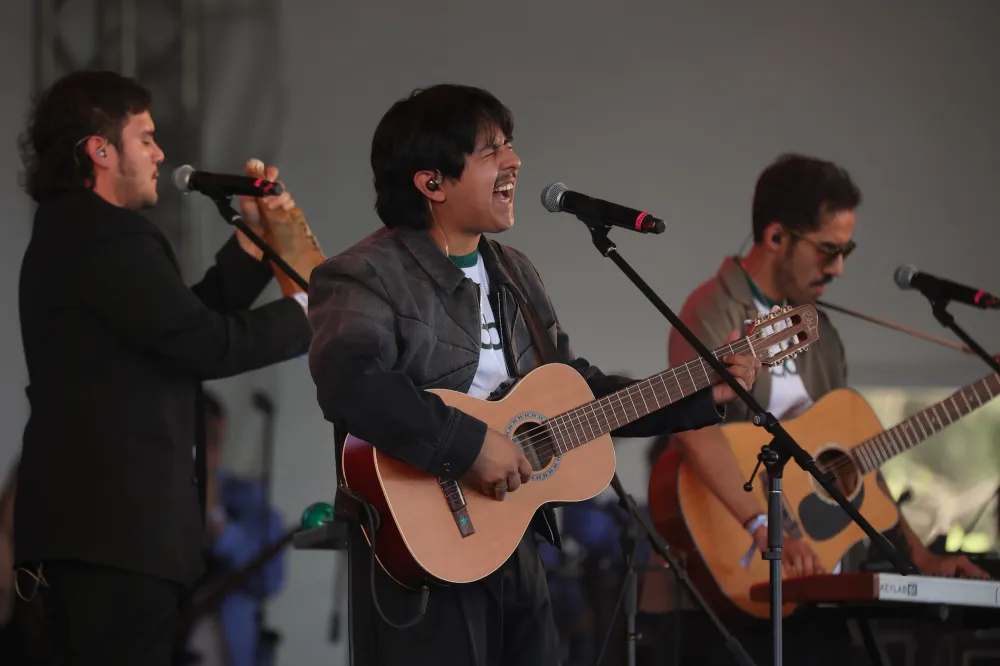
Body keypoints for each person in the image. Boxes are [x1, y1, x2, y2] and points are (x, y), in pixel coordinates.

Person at [305, 83, 762, 666]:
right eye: (490, 151)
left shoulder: (516, 273)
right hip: (420, 556)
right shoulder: (364, 274)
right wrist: (470, 445)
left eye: (510, 146)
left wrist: (700, 388)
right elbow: (351, 383)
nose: (514, 162)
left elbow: (574, 392)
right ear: (432, 182)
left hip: (515, 540)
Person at [13, 69, 318, 666]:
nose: (159, 153)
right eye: (145, 137)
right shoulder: (108, 237)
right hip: (115, 540)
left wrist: (253, 247)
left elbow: (175, 328)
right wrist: (310, 314)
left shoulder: (73, 232)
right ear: (100, 151)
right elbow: (202, 343)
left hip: (88, 536)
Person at [638, 153, 988, 664]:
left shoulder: (823, 336)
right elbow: (693, 429)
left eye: (846, 250)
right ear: (777, 237)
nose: (839, 267)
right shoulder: (713, 309)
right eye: (827, 249)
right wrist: (763, 525)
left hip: (817, 586)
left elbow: (851, 458)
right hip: (731, 584)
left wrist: (918, 555)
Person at [181, 392, 287, 666]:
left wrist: (217, 521)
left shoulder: (247, 497)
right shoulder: (151, 496)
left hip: (224, 645)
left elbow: (269, 580)